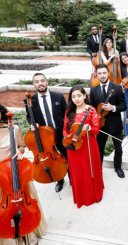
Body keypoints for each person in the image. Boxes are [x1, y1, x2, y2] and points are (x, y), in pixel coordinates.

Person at [0, 104, 47, 244]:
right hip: (1, 176)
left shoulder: (13, 129)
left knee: (24, 203)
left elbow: (21, 146)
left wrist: (20, 152)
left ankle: (28, 233)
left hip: (14, 171)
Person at [25, 73, 67, 192]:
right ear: (34, 84)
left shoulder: (58, 97)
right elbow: (29, 117)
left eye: (42, 80)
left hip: (60, 134)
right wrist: (32, 124)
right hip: (45, 137)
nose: (40, 83)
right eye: (37, 82)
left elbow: (66, 115)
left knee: (66, 156)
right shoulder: (30, 100)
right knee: (51, 160)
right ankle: (59, 179)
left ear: (47, 82)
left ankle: (71, 177)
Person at [63, 86, 104, 208]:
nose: (76, 99)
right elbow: (64, 130)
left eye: (79, 95)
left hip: (88, 145)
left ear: (85, 96)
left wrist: (90, 128)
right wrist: (70, 137)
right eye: (73, 96)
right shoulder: (69, 111)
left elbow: (97, 130)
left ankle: (93, 193)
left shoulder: (91, 110)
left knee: (90, 169)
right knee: (78, 171)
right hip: (74, 146)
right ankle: (80, 195)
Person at [90, 64, 126, 178]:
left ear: (108, 73)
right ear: (96, 75)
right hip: (101, 125)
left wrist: (113, 108)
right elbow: (93, 109)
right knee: (99, 148)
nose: (102, 75)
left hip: (115, 123)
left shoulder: (117, 87)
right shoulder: (93, 90)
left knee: (118, 148)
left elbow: (124, 106)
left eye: (104, 73)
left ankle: (118, 167)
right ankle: (98, 169)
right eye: (99, 73)